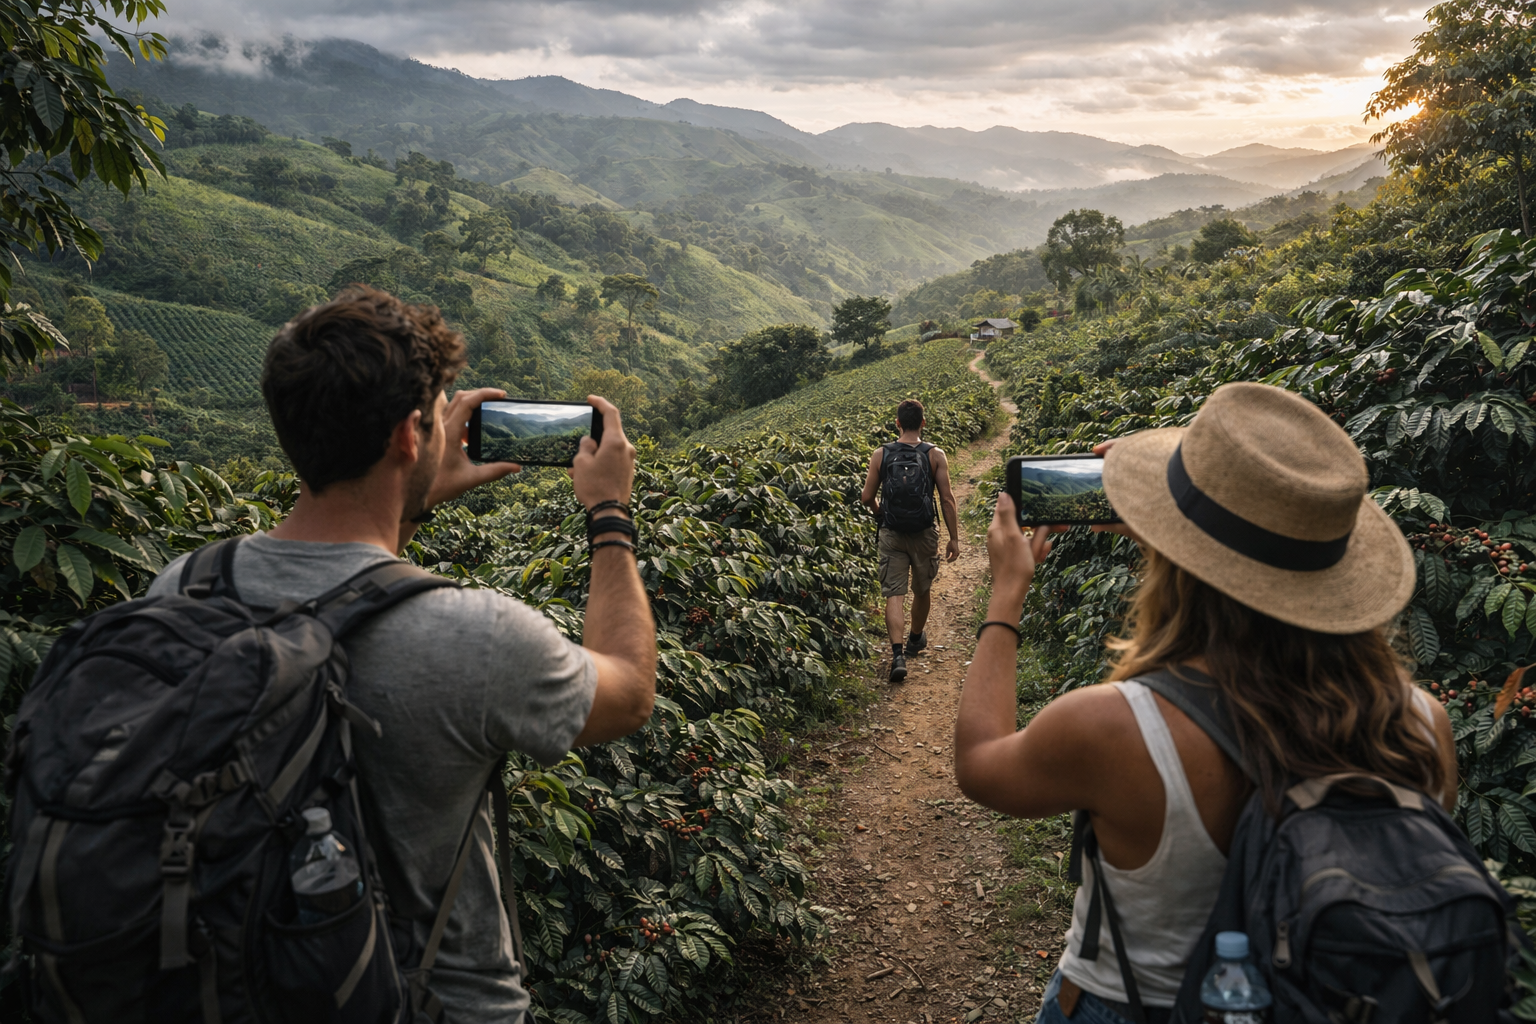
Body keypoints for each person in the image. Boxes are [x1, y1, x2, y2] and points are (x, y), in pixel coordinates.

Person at [149, 286, 656, 1023]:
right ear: (409, 439)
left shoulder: (183, 588)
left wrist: (407, 504)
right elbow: (629, 691)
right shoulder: (475, 637)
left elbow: (344, 598)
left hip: (227, 990)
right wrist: (610, 511)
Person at [953, 383, 1455, 1023]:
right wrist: (1174, 522)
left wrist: (1005, 597)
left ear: (1178, 562)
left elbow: (981, 762)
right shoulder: (1419, 724)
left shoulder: (1116, 726)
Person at [860, 399, 960, 682]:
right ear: (923, 423)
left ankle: (897, 655)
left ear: (897, 423)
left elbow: (867, 497)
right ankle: (915, 638)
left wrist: (881, 514)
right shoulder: (935, 454)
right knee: (922, 587)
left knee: (894, 593)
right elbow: (947, 499)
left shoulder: (881, 454)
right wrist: (954, 538)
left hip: (892, 533)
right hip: (924, 532)